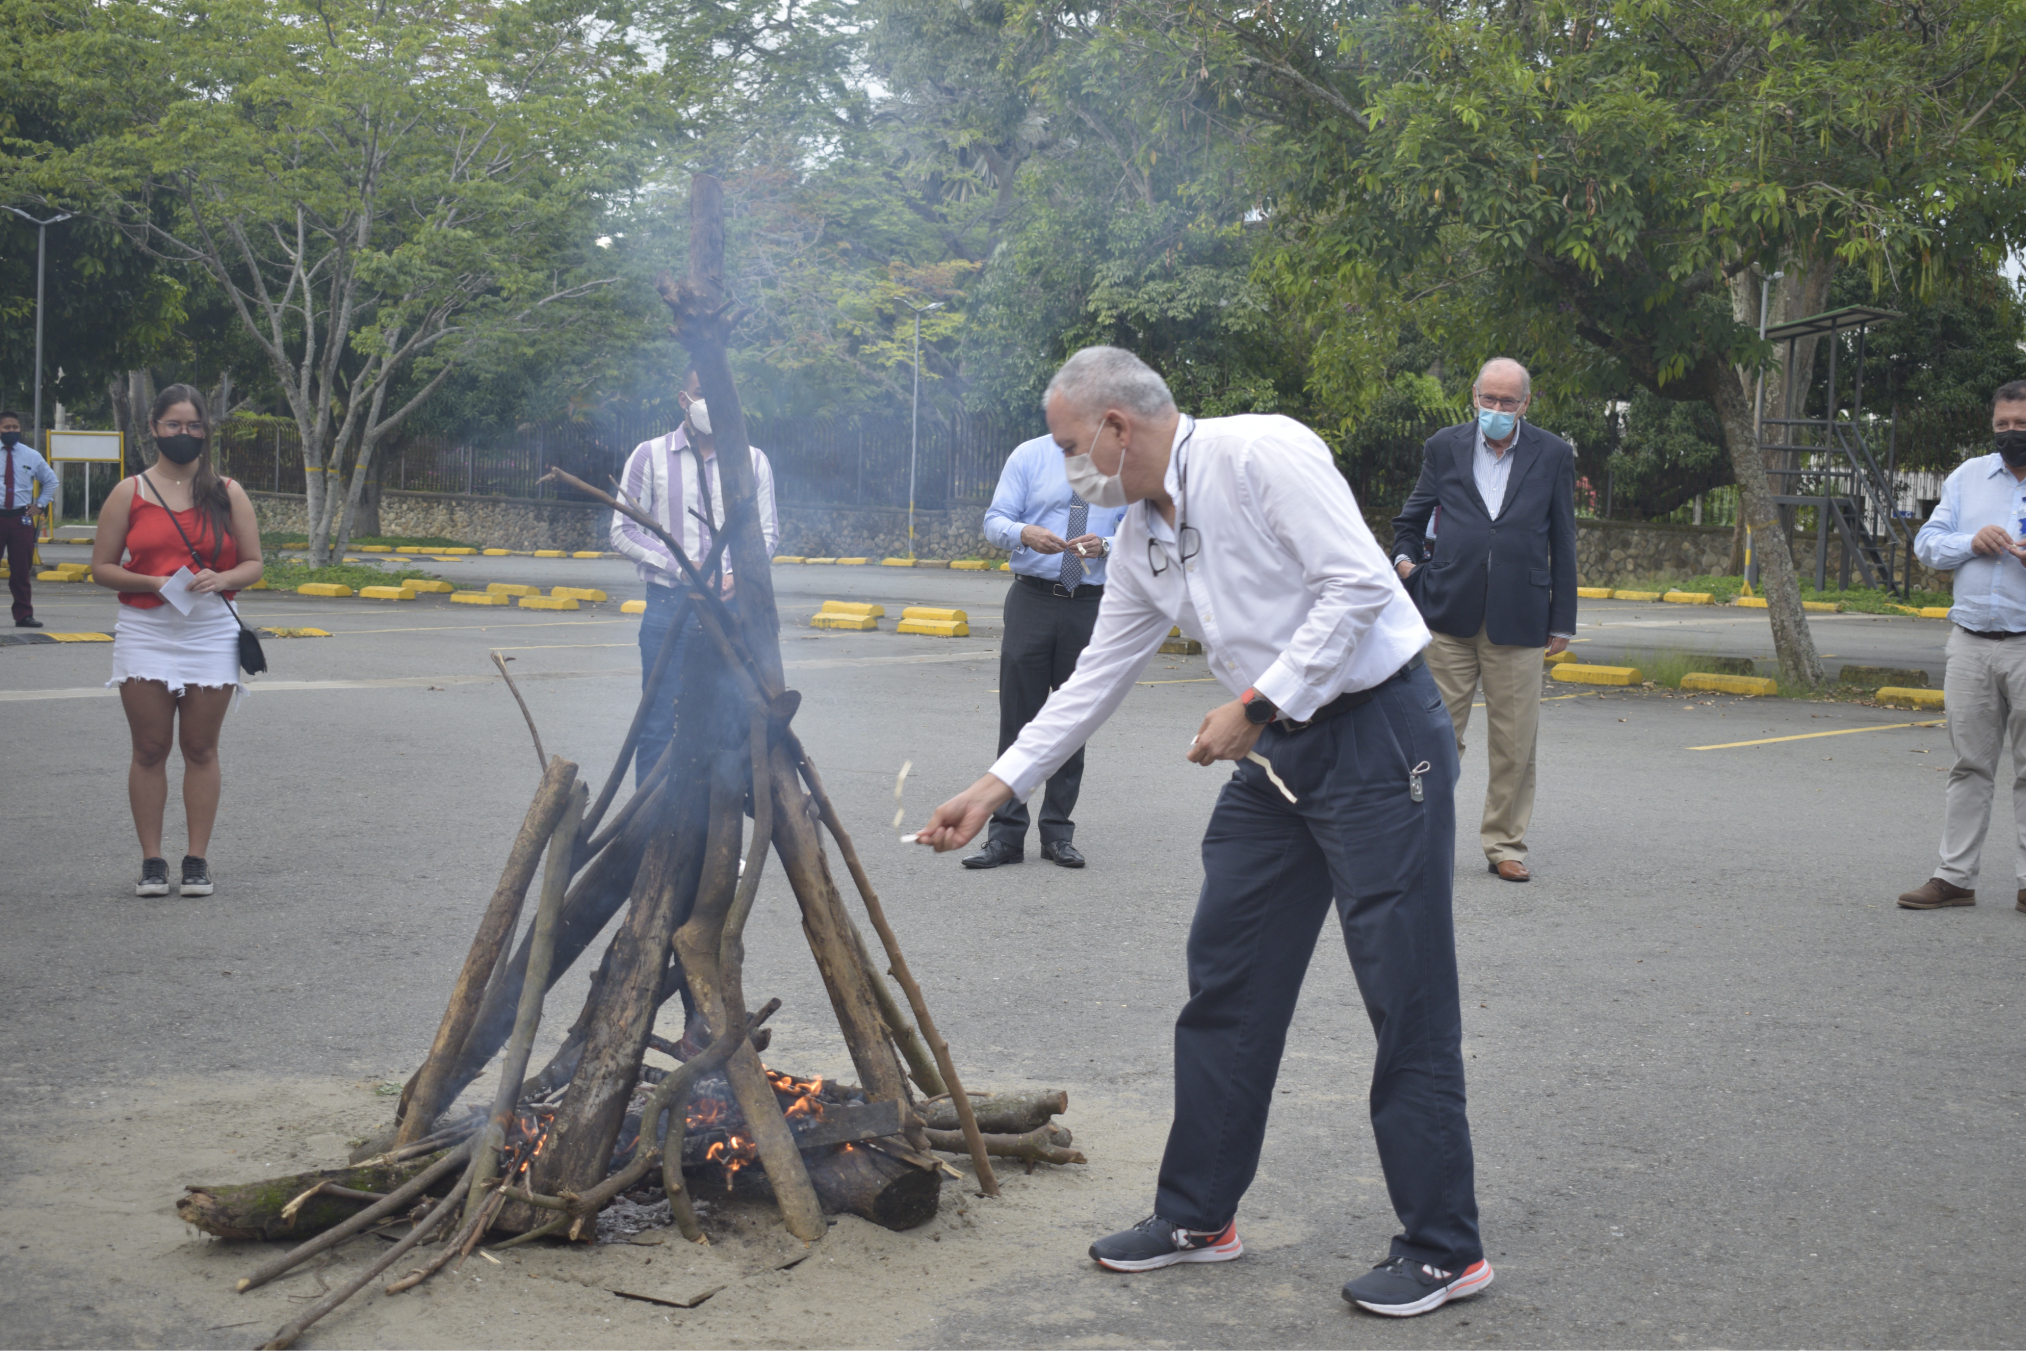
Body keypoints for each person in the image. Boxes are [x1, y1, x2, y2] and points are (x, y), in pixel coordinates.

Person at [915, 347, 1489, 1319]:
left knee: (1406, 991)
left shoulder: (1261, 453)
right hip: (1275, 764)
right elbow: (1095, 676)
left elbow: (1355, 589)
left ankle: (1444, 1247)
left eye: (1067, 446)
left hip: (1377, 739)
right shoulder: (1140, 535)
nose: (1066, 471)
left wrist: (1256, 704)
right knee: (1227, 981)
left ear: (1116, 427)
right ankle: (1197, 1217)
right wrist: (995, 784)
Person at [1390, 358, 1577, 883]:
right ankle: (1421, 838)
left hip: (1520, 620)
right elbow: (1410, 519)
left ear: (1526, 404)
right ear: (1474, 396)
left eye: (1507, 402)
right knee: (1435, 737)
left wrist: (1562, 619)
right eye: (1488, 400)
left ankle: (1504, 844)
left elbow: (1563, 540)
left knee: (1516, 742)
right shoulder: (1443, 446)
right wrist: (1408, 568)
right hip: (1446, 615)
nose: (1496, 410)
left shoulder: (1554, 455)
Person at [90, 385, 264, 899]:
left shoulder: (227, 491)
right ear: (153, 428)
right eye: (173, 425)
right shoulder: (130, 492)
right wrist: (151, 584)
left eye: (192, 426)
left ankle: (196, 860)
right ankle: (151, 861)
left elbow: (254, 563)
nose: (183, 434)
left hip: (210, 629)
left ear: (205, 430)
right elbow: (100, 567)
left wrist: (222, 576)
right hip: (145, 629)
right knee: (149, 748)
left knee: (200, 747)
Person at [611, 370, 779, 785]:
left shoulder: (753, 460)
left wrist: (735, 578)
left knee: (731, 726)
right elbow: (623, 529)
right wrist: (683, 569)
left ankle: (715, 846)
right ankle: (648, 841)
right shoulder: (649, 455)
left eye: (720, 395)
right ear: (683, 399)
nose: (712, 404)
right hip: (669, 609)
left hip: (732, 613)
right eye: (703, 394)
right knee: (657, 726)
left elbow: (768, 533)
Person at [969, 433, 1127, 869]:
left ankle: (1057, 831)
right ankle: (1005, 835)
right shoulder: (1028, 455)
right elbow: (994, 520)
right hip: (1032, 600)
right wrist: (1024, 532)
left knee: (1073, 720)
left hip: (1091, 605)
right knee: (1018, 720)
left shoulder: (1121, 458)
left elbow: (1140, 530)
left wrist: (1106, 545)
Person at [1899, 378, 2026, 914]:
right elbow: (1927, 543)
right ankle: (1954, 878)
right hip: (1971, 643)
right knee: (1969, 765)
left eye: (2022, 425)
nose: (2012, 433)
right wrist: (1969, 542)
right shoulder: (1969, 476)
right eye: (2003, 425)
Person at [1, 409, 61, 628]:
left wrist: (40, 505)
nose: (11, 431)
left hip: (20, 519)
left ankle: (24, 615)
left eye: (15, 428)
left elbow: (51, 482)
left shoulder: (31, 455)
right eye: (6, 427)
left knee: (21, 569)